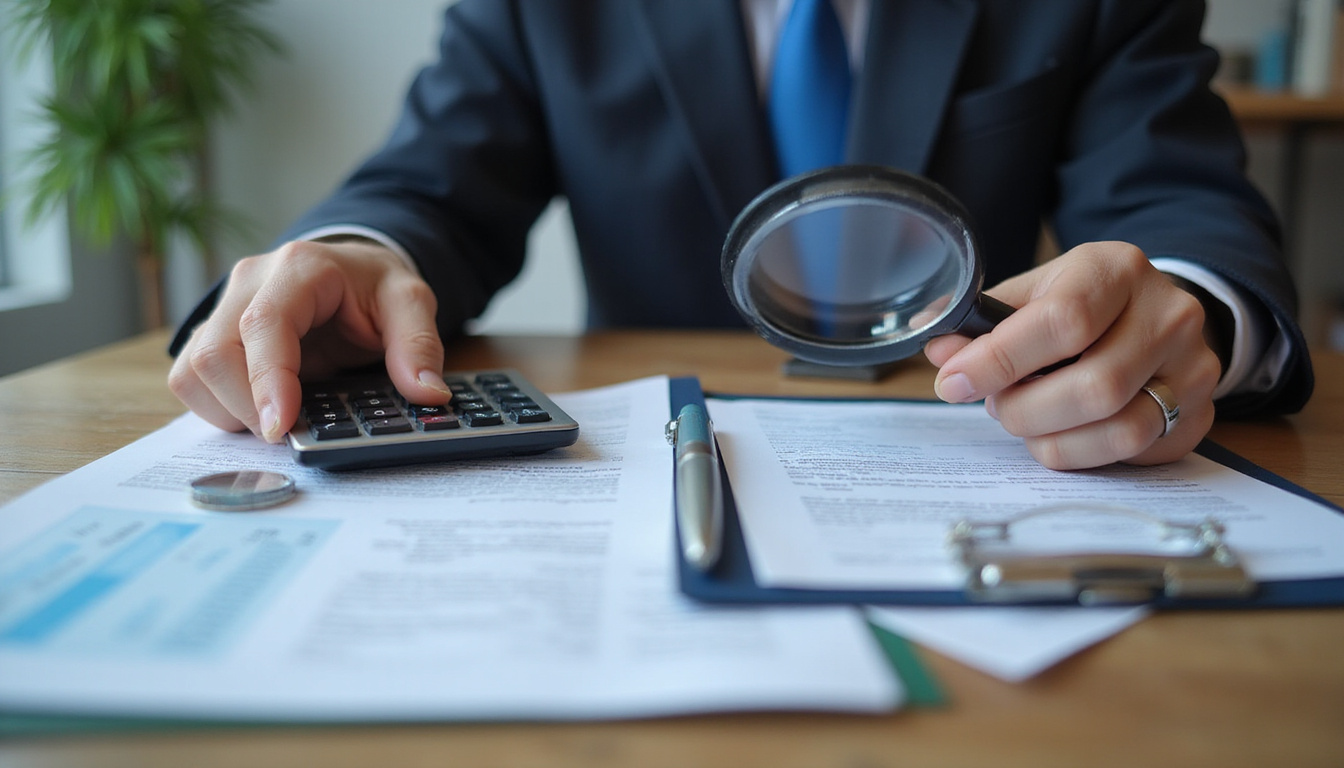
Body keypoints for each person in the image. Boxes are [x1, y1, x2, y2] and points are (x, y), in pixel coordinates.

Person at [168, 0, 1313, 471]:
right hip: (643, 461)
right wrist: (358, 256)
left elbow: (1180, 207)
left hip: (972, 441)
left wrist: (1189, 306)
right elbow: (433, 184)